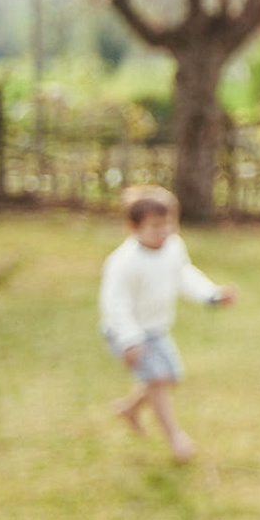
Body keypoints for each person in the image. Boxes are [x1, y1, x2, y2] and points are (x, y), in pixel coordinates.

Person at [99, 184, 235, 463]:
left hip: (156, 328)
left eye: (169, 224)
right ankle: (177, 439)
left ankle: (129, 409)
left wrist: (211, 295)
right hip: (127, 333)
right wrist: (130, 341)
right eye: (155, 226)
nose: (164, 232)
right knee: (158, 380)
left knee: (171, 377)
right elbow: (115, 305)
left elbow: (184, 275)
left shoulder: (173, 247)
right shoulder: (123, 262)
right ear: (134, 228)